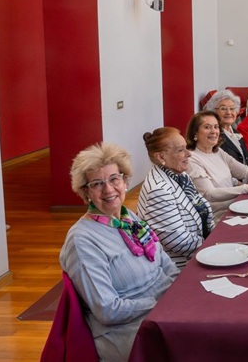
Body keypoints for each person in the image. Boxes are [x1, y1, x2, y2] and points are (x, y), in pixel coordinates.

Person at [60, 143, 178, 362]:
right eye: (97, 183)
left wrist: (176, 295)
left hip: (163, 311)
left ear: (125, 181)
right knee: (197, 343)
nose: (108, 190)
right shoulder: (82, 241)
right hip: (128, 331)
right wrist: (158, 300)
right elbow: (108, 310)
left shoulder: (128, 218)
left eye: (114, 179)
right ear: (86, 192)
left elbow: (166, 264)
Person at [137, 127, 215, 269]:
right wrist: (215, 246)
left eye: (186, 148)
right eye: (181, 150)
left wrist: (217, 237)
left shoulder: (180, 175)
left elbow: (202, 211)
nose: (188, 154)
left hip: (203, 251)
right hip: (183, 268)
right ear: (161, 157)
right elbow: (179, 242)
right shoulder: (159, 190)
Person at [204, 89, 248, 165]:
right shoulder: (214, 136)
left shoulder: (236, 132)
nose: (228, 112)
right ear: (213, 111)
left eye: (232, 108)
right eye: (223, 108)